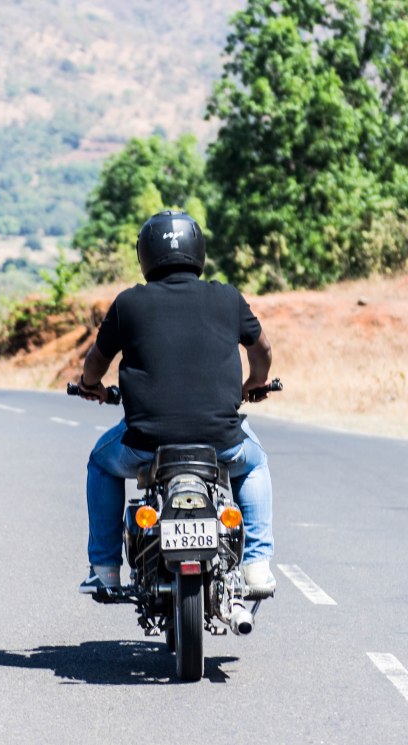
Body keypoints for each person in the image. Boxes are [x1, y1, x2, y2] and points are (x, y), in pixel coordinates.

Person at [75, 210, 276, 597]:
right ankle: (256, 565)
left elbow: (95, 362)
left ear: (146, 255)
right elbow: (262, 348)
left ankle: (104, 569)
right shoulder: (227, 296)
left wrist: (91, 386)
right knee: (256, 462)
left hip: (146, 446)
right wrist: (256, 381)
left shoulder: (128, 303)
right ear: (197, 250)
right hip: (221, 442)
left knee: (101, 462)